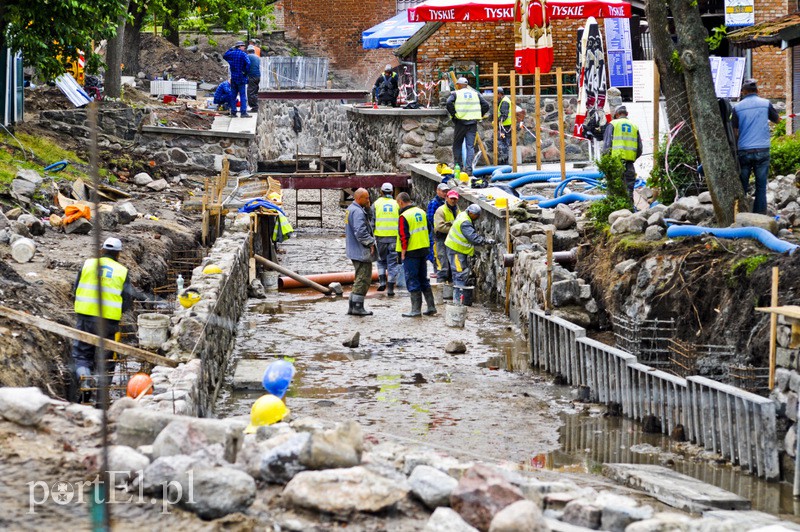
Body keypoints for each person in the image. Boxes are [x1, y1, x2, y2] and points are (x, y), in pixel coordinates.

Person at [70, 237, 134, 402]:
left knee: (82, 355)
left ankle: (86, 381)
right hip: (108, 322)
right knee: (106, 358)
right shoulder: (122, 271)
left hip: (85, 317)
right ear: (118, 254)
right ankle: (101, 396)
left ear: (102, 250)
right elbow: (127, 300)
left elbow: (76, 289)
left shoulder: (88, 264)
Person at [733, 78, 781, 214]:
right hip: (762, 150)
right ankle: (759, 216)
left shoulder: (737, 108)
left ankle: (741, 215)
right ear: (757, 91)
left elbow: (735, 132)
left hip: (744, 151)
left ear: (743, 92)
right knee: (761, 186)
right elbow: (777, 120)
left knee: (742, 186)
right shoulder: (766, 104)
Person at [396, 192, 436, 317]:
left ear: (401, 202)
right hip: (423, 249)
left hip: (411, 251)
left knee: (412, 279)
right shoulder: (421, 212)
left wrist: (403, 253)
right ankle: (431, 306)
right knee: (423, 278)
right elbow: (429, 229)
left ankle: (416, 310)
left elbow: (404, 236)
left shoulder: (404, 216)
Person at [445, 205, 495, 305]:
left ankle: (459, 298)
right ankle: (458, 301)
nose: (477, 217)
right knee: (459, 273)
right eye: (476, 215)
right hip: (456, 250)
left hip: (456, 248)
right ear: (471, 213)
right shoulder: (465, 222)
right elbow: (473, 238)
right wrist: (485, 241)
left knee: (460, 273)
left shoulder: (463, 215)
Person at [446, 77, 490, 175]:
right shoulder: (476, 94)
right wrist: (479, 114)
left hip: (461, 122)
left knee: (457, 145)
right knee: (470, 146)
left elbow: (448, 103)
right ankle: (469, 170)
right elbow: (486, 105)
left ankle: (459, 167)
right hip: (472, 123)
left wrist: (454, 115)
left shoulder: (456, 94)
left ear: (459, 85)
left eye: (457, 85)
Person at [345, 188, 376, 316]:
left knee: (359, 277)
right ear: (359, 198)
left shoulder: (351, 209)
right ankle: (358, 307)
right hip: (360, 250)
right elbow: (360, 231)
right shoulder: (357, 212)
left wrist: (368, 209)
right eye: (366, 198)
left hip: (353, 249)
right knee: (363, 279)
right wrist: (370, 242)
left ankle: (352, 306)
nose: (369, 200)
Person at [603, 105, 642, 200]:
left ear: (616, 114)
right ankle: (630, 211)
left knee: (613, 191)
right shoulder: (634, 127)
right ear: (627, 114)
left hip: (615, 164)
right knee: (629, 192)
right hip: (629, 165)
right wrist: (631, 158)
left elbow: (607, 146)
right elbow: (640, 149)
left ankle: (615, 212)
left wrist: (605, 163)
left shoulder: (613, 124)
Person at [372, 182, 399, 296]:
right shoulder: (397, 204)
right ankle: (391, 288)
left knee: (381, 261)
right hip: (394, 238)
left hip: (380, 238)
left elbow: (372, 221)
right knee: (393, 263)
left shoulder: (376, 204)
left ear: (381, 192)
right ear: (392, 192)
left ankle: (382, 281)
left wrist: (370, 239)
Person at [434, 190, 460, 285]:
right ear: (447, 198)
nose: (453, 201)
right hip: (442, 239)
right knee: (442, 263)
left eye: (455, 199)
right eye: (451, 198)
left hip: (453, 240)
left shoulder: (457, 211)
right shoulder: (441, 210)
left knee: (453, 264)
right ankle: (441, 287)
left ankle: (450, 287)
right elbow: (439, 227)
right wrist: (454, 228)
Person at [223, 41, 251, 118]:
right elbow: (248, 64)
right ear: (240, 46)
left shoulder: (232, 54)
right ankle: (243, 112)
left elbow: (224, 56)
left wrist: (231, 49)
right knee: (242, 95)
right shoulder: (243, 54)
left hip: (234, 78)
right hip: (241, 78)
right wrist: (245, 72)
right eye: (243, 46)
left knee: (233, 95)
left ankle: (233, 112)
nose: (244, 48)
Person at [426, 183, 449, 268]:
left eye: (446, 191)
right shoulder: (434, 203)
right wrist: (437, 228)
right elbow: (430, 217)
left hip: (444, 230)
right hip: (437, 231)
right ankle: (437, 268)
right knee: (436, 251)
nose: (445, 193)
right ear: (438, 191)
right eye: (443, 191)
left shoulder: (446, 202)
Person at [496, 87, 512, 165]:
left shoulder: (504, 102)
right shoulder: (504, 100)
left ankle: (504, 161)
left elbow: (504, 115)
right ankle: (504, 160)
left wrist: (496, 121)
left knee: (503, 143)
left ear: (499, 93)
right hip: (506, 126)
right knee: (505, 143)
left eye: (496, 94)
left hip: (505, 127)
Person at [246, 45, 261, 113]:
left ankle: (254, 107)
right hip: (258, 76)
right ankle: (255, 106)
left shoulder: (248, 57)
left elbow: (246, 66)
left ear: (248, 51)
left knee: (250, 92)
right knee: (255, 92)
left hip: (252, 76)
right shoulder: (257, 57)